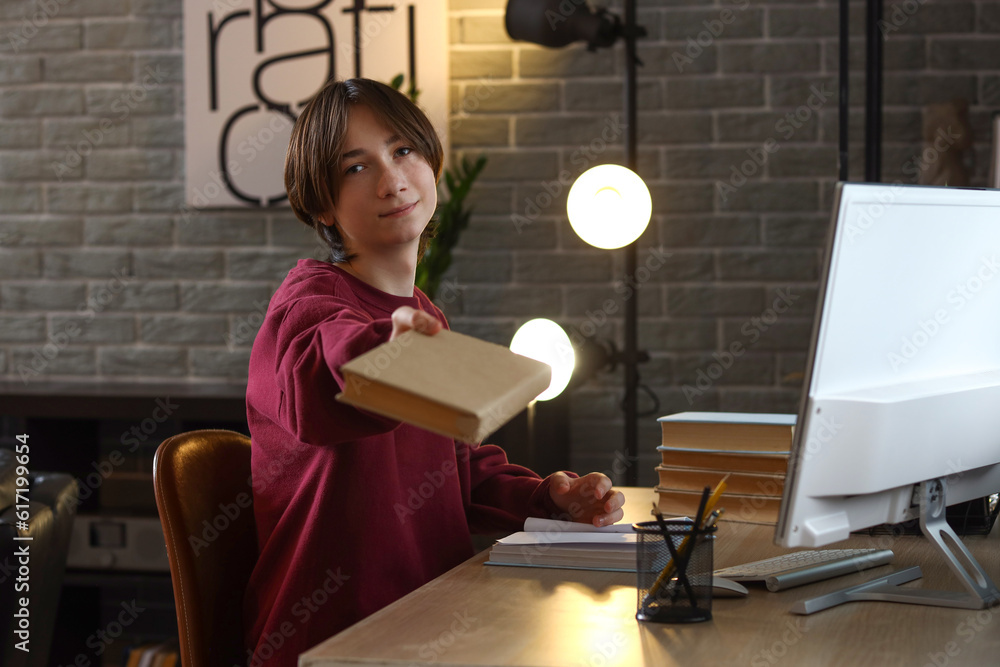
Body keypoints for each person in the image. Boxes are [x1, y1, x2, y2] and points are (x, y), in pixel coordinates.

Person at [243, 78, 625, 667]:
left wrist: (551, 498)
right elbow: (321, 376)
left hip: (429, 625)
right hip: (330, 641)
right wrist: (387, 349)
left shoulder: (424, 316)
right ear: (321, 204)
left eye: (402, 151)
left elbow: (454, 471)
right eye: (354, 167)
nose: (391, 179)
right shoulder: (304, 306)